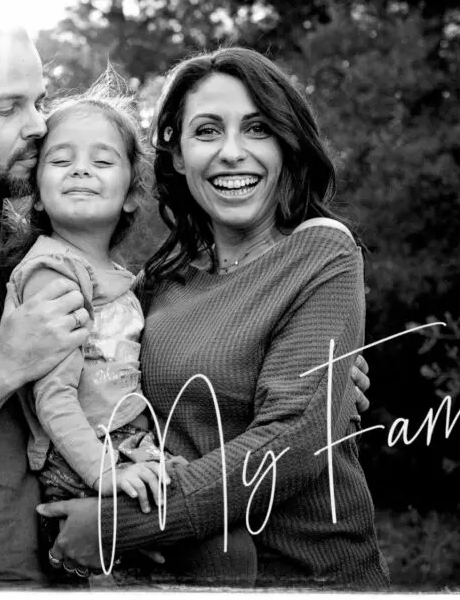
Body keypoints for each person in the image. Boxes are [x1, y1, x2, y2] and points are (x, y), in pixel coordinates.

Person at [0, 5, 372, 587]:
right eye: (8, 107)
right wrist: (8, 366)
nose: (40, 126)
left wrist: (319, 377)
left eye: (39, 101)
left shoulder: (33, 257)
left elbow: (260, 422)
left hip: (285, 575)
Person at [39, 47, 391, 590]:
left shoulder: (322, 253)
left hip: (307, 577)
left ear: (286, 145)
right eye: (207, 131)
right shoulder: (159, 283)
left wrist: (119, 526)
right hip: (186, 577)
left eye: (257, 129)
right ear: (178, 154)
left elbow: (292, 442)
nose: (232, 152)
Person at [0, 81, 191, 585]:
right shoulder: (53, 272)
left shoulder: (121, 278)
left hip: (126, 448)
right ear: (36, 189)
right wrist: (105, 474)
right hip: (80, 469)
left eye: (102, 162)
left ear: (131, 194)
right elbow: (53, 398)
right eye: (61, 160)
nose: (81, 169)